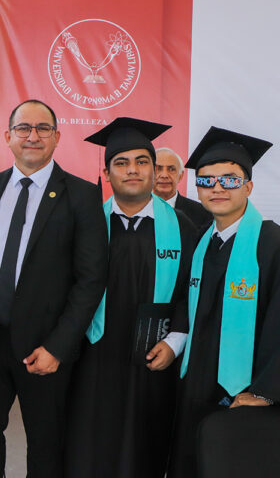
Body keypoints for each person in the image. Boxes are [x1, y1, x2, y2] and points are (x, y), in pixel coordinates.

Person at [0, 99, 108, 478]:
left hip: (46, 349)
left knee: (46, 445)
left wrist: (58, 347)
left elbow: (91, 279)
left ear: (57, 137)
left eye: (43, 128)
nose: (33, 136)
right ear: (8, 136)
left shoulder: (82, 195)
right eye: (24, 128)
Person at [65, 118, 197, 478]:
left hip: (155, 355)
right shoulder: (86, 223)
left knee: (145, 445)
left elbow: (193, 290)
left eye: (142, 162)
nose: (132, 170)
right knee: (90, 440)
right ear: (107, 174)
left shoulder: (185, 227)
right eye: (121, 163)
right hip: (94, 354)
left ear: (155, 171)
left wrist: (175, 342)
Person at [167, 127, 280, 477]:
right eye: (206, 180)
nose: (217, 187)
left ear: (248, 186)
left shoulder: (272, 242)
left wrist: (265, 391)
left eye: (230, 179)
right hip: (197, 383)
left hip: (246, 391)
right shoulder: (201, 242)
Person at [153, 147, 212, 230]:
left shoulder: (203, 213)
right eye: (158, 169)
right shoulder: (136, 209)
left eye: (171, 169)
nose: (164, 175)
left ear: (180, 176)